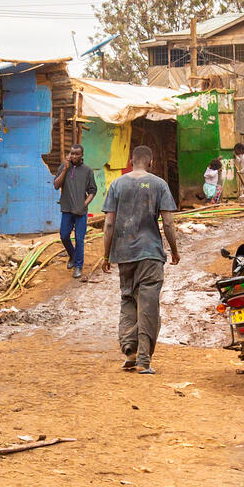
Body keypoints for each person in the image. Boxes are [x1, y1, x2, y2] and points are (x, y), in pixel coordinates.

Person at [99, 144, 180, 375]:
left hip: (123, 254)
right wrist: (174, 250)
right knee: (148, 306)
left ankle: (129, 350)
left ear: (131, 161)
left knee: (128, 300)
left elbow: (109, 224)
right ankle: (143, 360)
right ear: (151, 161)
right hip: (151, 254)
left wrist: (107, 254)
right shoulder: (159, 185)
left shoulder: (117, 184)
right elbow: (168, 224)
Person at [53, 143, 97, 279]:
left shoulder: (88, 171)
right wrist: (65, 169)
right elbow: (56, 185)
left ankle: (78, 266)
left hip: (81, 212)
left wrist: (85, 204)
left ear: (82, 155)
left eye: (76, 154)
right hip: (66, 208)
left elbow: (92, 191)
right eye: (72, 153)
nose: (73, 156)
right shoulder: (64, 167)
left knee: (79, 239)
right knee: (64, 236)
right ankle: (72, 255)